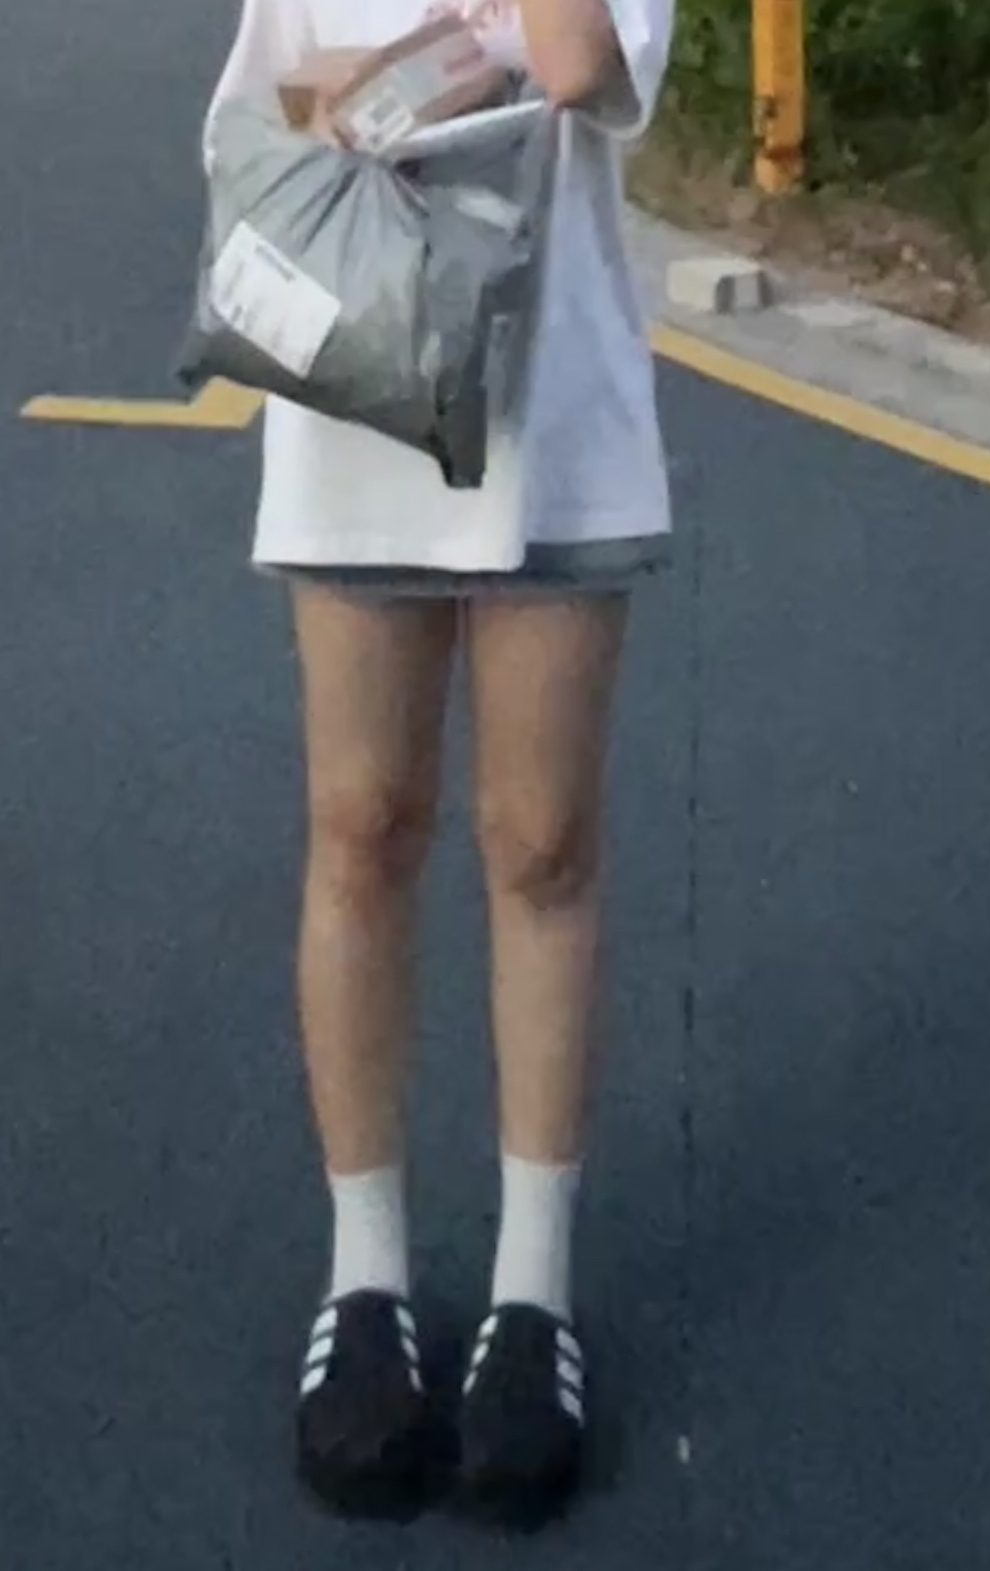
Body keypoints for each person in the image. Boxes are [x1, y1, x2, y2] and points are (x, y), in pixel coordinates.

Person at [203, 0, 674, 1532]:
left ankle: (532, 1295)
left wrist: (432, 70)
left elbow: (586, 65)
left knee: (541, 839)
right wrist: (385, 87)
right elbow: (266, 107)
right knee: (361, 823)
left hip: (559, 408)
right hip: (361, 386)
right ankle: (367, 1284)